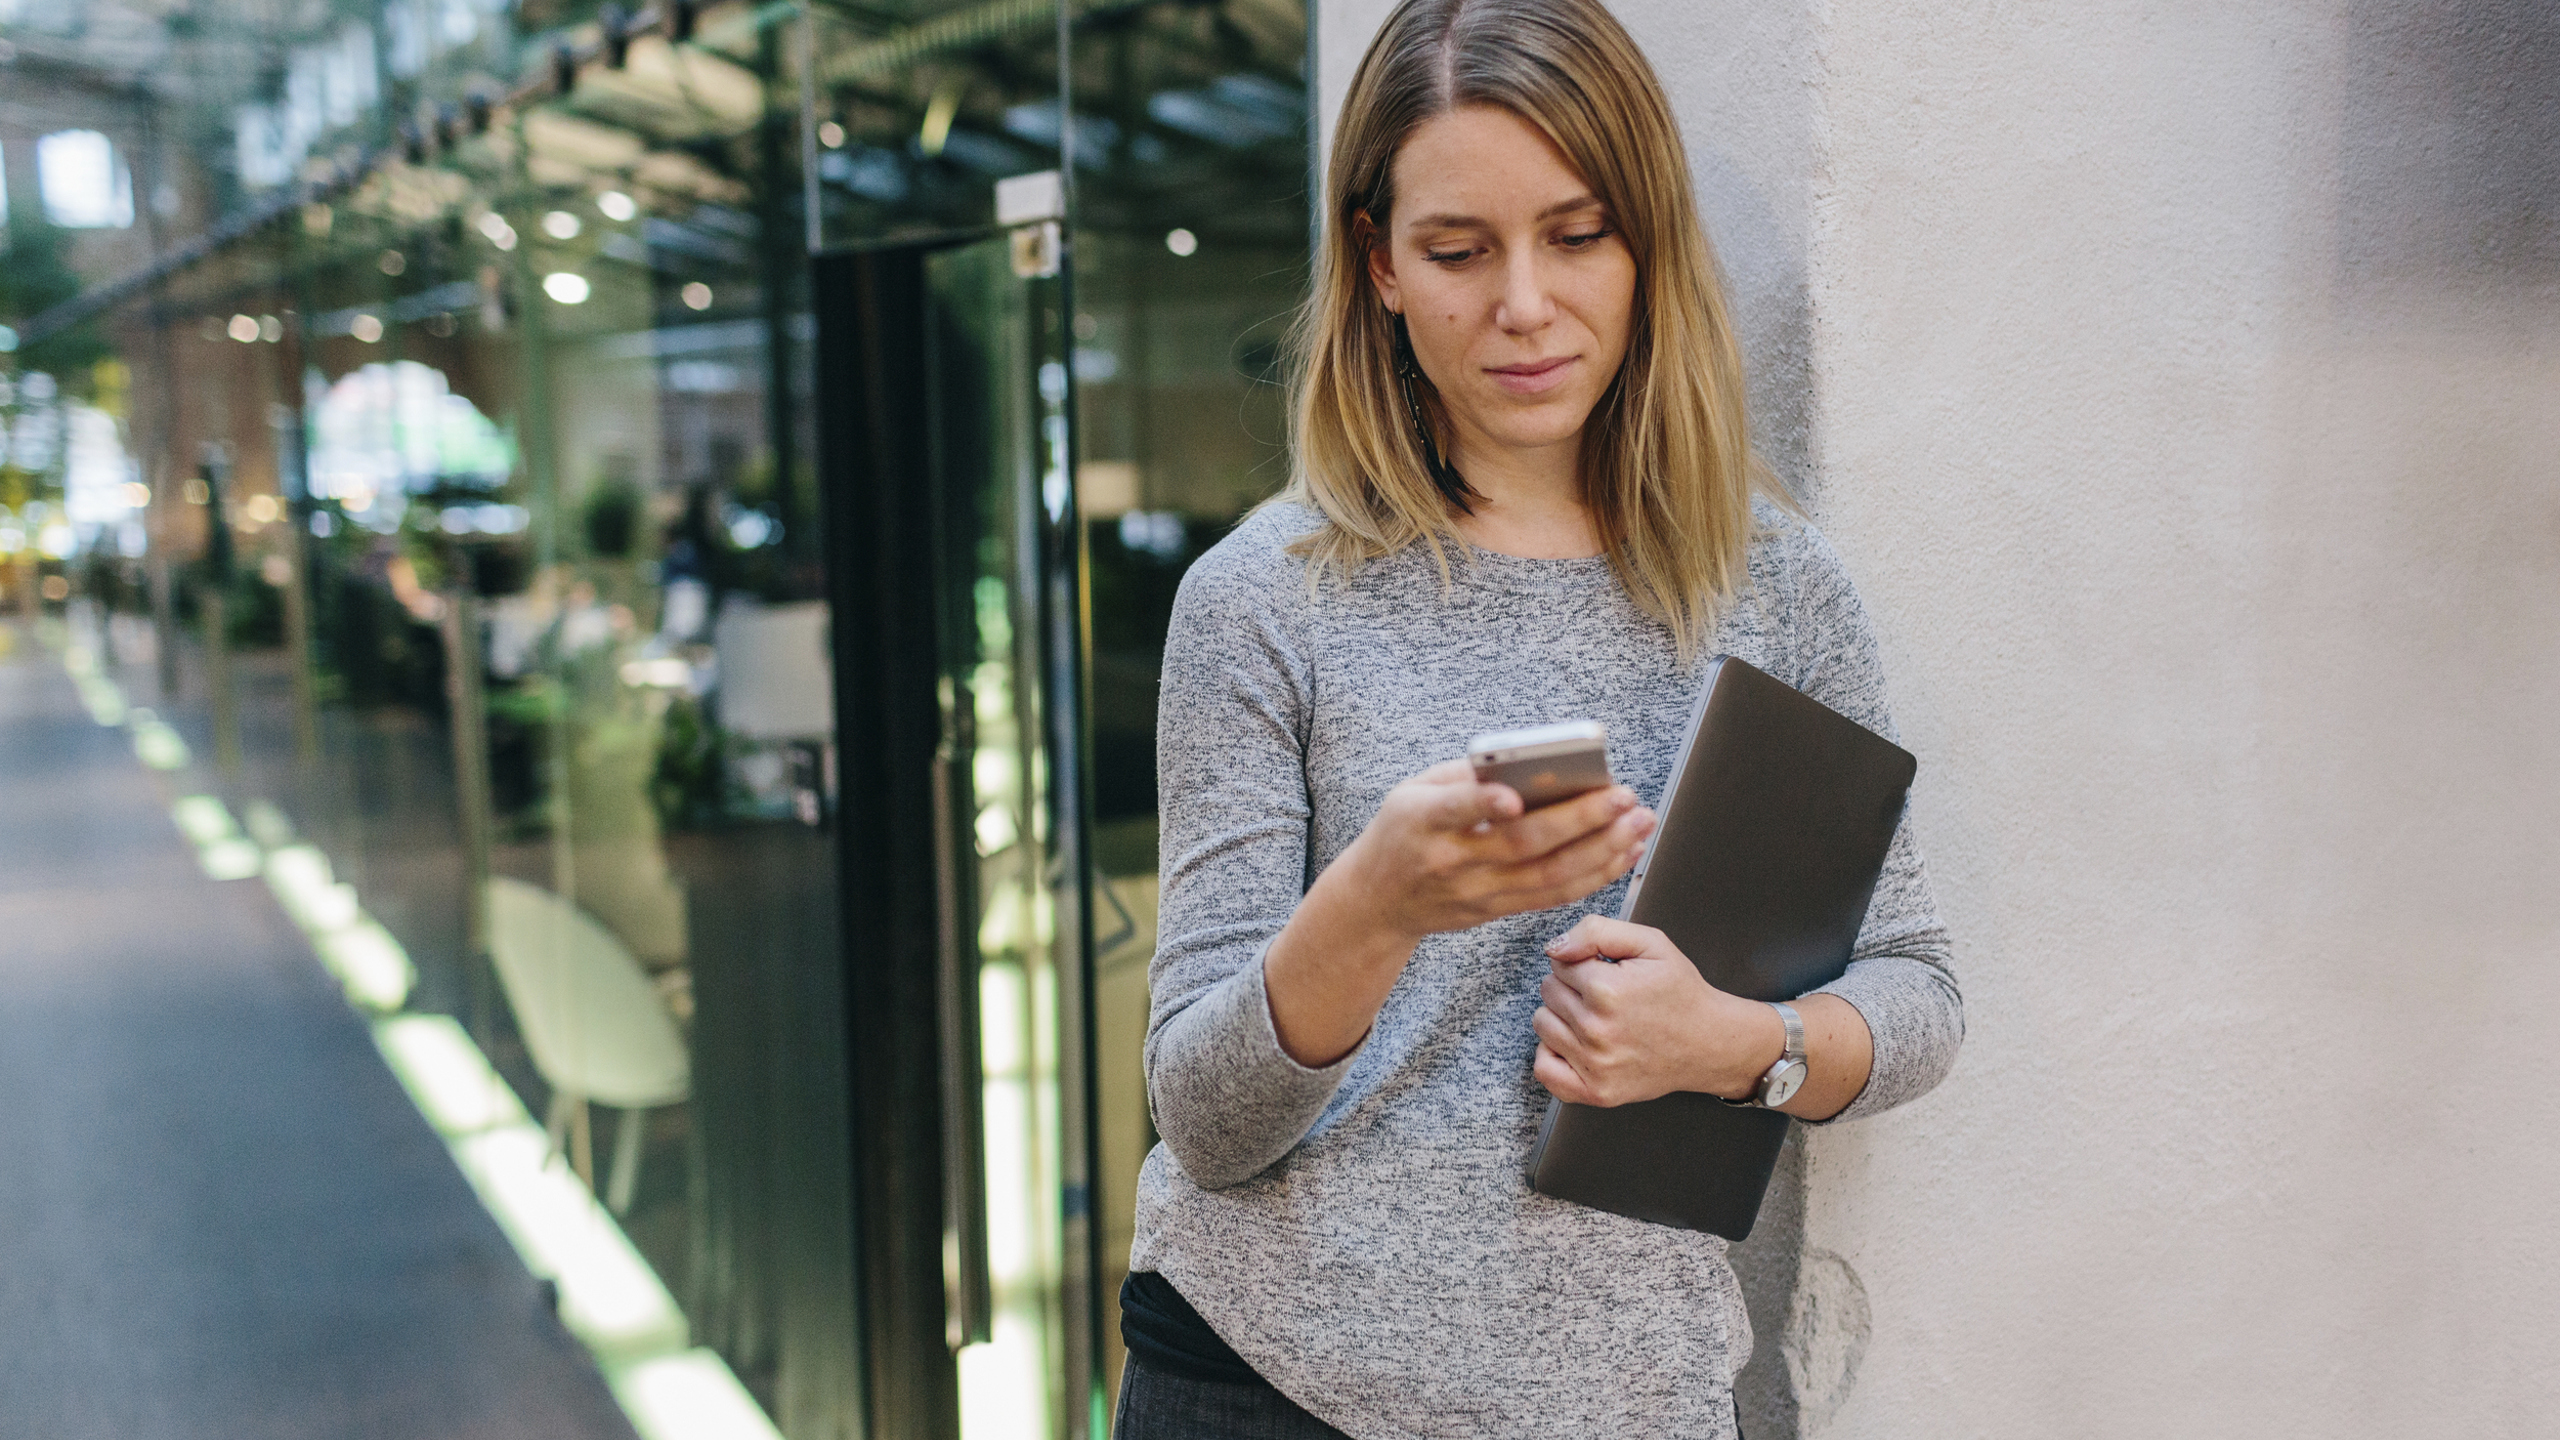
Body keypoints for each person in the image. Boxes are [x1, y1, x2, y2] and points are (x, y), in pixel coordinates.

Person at [1115, 0, 1964, 1434]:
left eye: (1578, 236)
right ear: (1378, 261)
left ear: (1647, 249)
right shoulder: (1265, 597)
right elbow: (1205, 1119)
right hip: (1269, 1386)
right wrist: (1373, 909)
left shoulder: (1774, 588)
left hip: (1628, 1403)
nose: (1523, 303)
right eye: (1458, 250)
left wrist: (1733, 1045)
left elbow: (1920, 995)